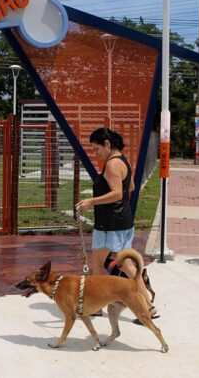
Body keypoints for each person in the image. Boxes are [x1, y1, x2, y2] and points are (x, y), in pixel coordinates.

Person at [75, 128, 157, 320]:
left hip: (109, 224)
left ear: (107, 144)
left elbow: (118, 193)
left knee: (97, 262)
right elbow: (131, 187)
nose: (96, 154)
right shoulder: (123, 161)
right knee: (127, 265)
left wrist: (90, 201)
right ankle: (148, 305)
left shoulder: (112, 165)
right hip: (123, 221)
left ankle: (97, 304)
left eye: (97, 149)